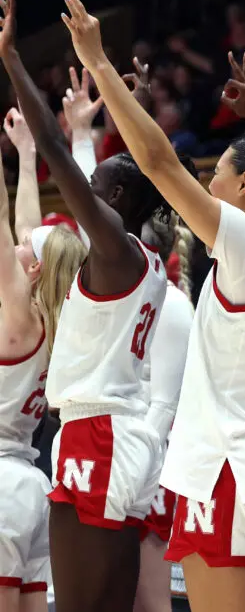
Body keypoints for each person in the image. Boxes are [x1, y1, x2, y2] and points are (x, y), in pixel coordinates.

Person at [60, 0, 245, 612]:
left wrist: (98, 61)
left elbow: (157, 161)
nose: (205, 185)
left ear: (242, 188)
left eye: (216, 177)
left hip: (229, 474)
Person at [1, 0, 176, 612]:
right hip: (108, 433)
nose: (85, 195)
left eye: (98, 186)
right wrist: (133, 106)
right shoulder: (140, 256)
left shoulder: (117, 251)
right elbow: (134, 171)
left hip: (100, 431)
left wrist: (12, 60)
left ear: (119, 202)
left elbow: (54, 151)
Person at [0, 111, 88, 612]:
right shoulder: (56, 319)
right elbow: (30, 231)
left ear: (32, 269)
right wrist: (26, 151)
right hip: (32, 488)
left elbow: (7, 225)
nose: (17, 239)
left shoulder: (18, 319)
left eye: (22, 249)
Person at [134, 213, 196, 612]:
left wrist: (134, 466)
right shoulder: (129, 297)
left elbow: (165, 404)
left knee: (152, 602)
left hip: (150, 463)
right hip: (122, 452)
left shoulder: (172, 305)